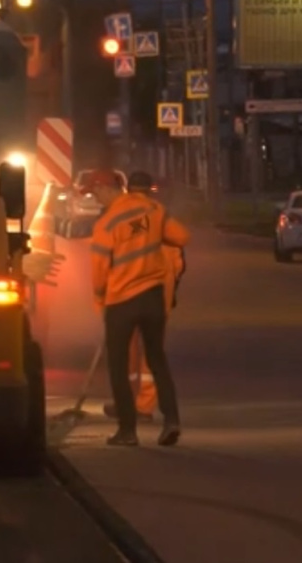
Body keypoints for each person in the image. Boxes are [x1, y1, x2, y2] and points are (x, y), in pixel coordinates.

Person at [83, 169, 190, 447]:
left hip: (121, 300)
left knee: (118, 365)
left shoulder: (106, 224)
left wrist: (99, 299)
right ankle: (172, 420)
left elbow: (99, 269)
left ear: (106, 189)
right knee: (157, 359)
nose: (95, 199)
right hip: (153, 296)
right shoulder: (153, 208)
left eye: (95, 193)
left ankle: (127, 432)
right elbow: (181, 237)